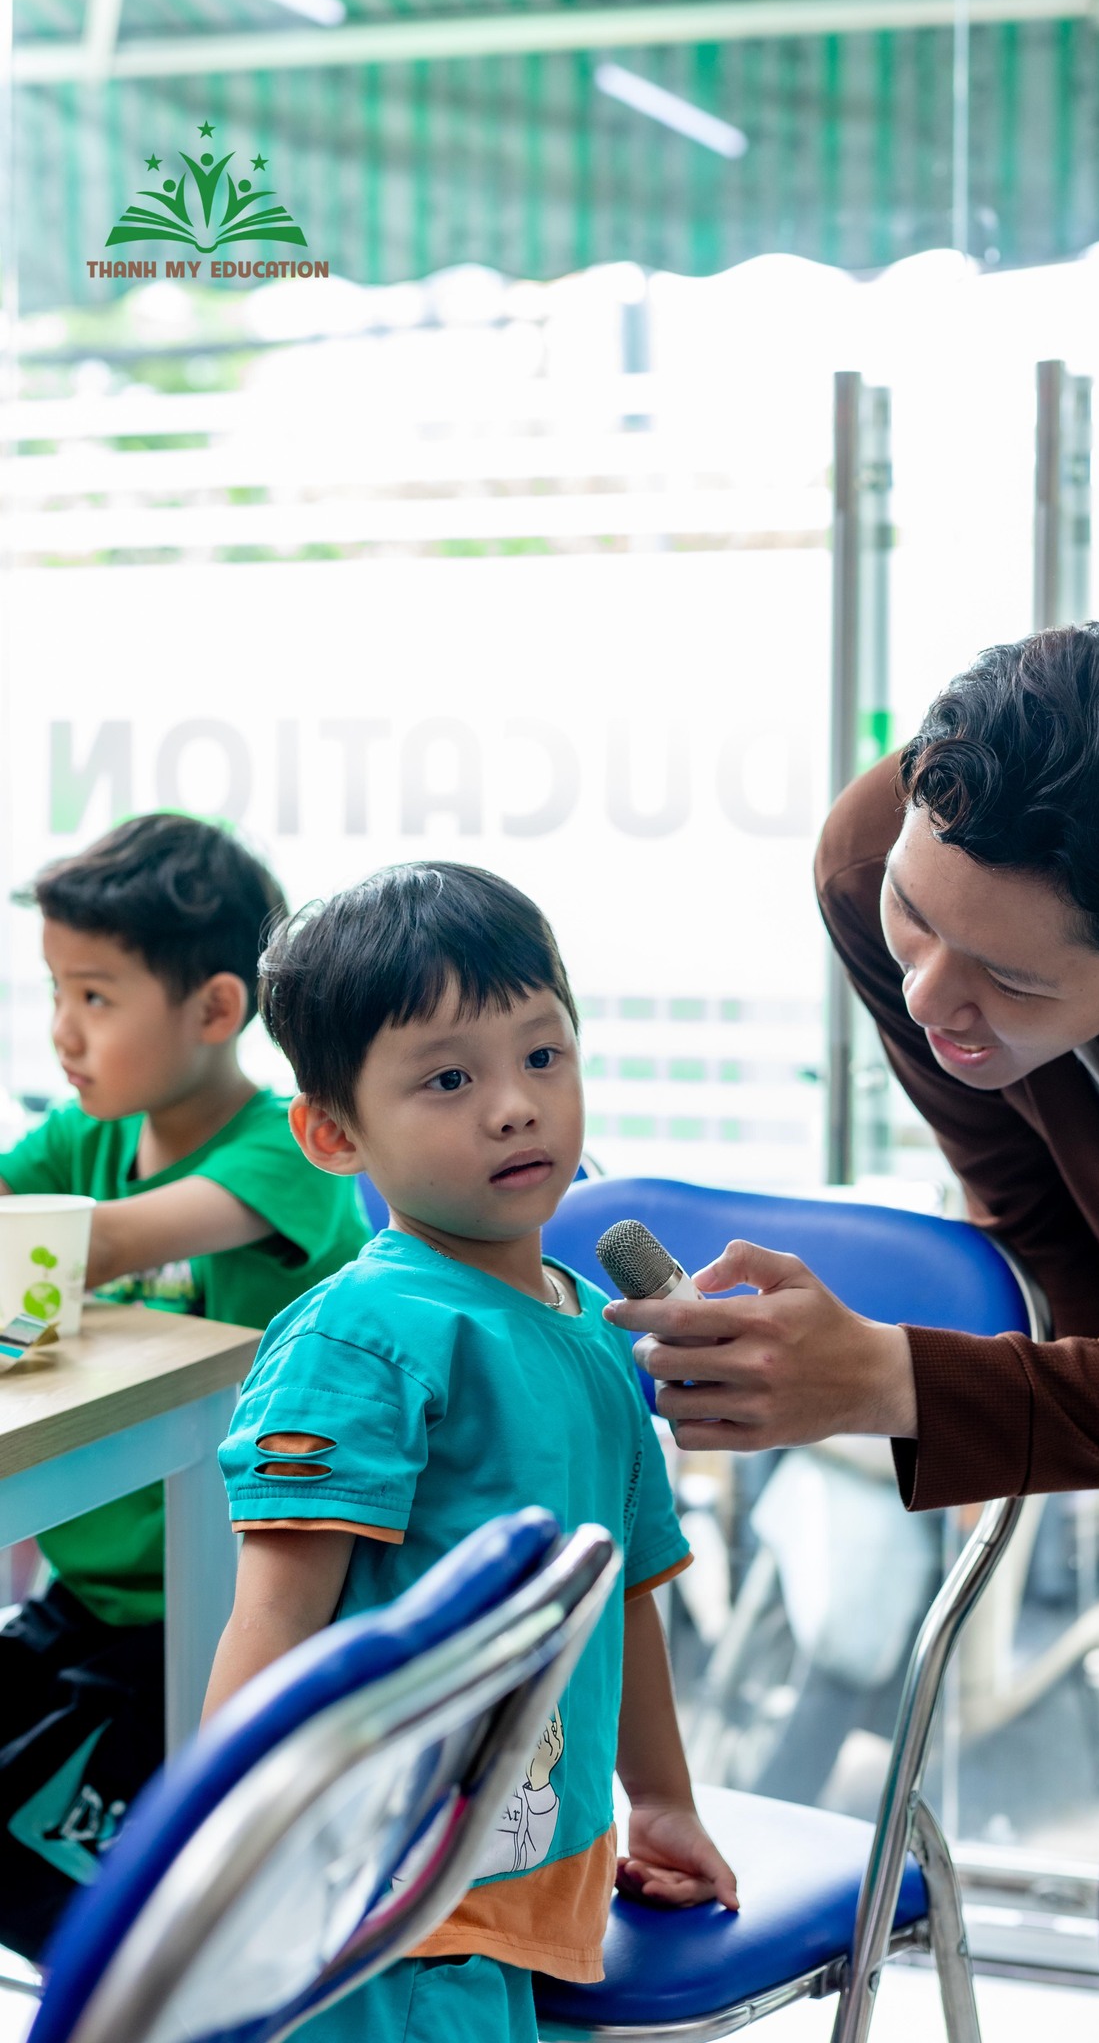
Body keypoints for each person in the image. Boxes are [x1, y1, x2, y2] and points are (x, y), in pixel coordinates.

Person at [606, 625, 1099, 2042]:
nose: (925, 997)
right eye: (919, 923)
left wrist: (884, 1377)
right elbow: (1038, 1207)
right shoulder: (876, 860)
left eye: (1008, 983)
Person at [206, 861, 737, 2043]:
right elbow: (274, 1622)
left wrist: (662, 1800)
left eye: (543, 1055)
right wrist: (227, 1868)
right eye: (450, 1077)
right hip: (377, 1907)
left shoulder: (593, 1325)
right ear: (333, 1131)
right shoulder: (362, 1334)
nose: (514, 1105)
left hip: (529, 1880)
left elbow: (624, 1595)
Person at [0, 814, 371, 1955]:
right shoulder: (83, 1138)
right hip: (90, 1602)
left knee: (99, 1906)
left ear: (214, 1009)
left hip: (229, 1623)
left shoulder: (285, 1149)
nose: (63, 1030)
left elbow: (96, 1243)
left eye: (95, 996)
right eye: (55, 991)